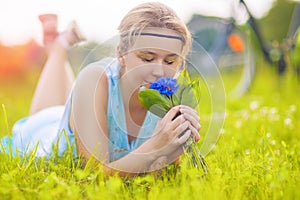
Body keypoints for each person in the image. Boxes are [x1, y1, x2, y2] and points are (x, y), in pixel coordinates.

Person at [0, 2, 201, 177]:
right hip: (45, 130)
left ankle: (58, 43)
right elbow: (95, 174)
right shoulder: (93, 79)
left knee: (64, 107)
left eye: (170, 60)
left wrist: (180, 144)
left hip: (79, 112)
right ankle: (59, 46)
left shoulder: (173, 97)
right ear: (121, 54)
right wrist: (157, 147)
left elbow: (161, 171)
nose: (159, 71)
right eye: (147, 58)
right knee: (44, 114)